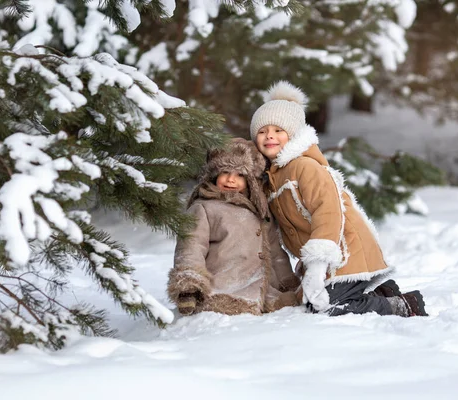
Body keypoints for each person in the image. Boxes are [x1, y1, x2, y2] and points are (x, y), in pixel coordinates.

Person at [250, 81, 428, 317]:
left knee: (326, 308)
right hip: (324, 260)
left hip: (345, 252)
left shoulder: (304, 167)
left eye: (278, 131)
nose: (269, 136)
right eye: (262, 131)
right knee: (308, 303)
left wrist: (317, 265)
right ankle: (382, 292)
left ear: (292, 135)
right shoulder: (272, 177)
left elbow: (328, 212)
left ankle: (402, 306)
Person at [167, 138, 301, 316]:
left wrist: (287, 282)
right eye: (225, 172)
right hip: (222, 295)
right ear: (214, 175)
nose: (231, 179)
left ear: (251, 180)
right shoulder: (205, 208)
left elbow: (275, 253)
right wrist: (189, 285)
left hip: (265, 298)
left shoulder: (260, 212)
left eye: (240, 175)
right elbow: (191, 247)